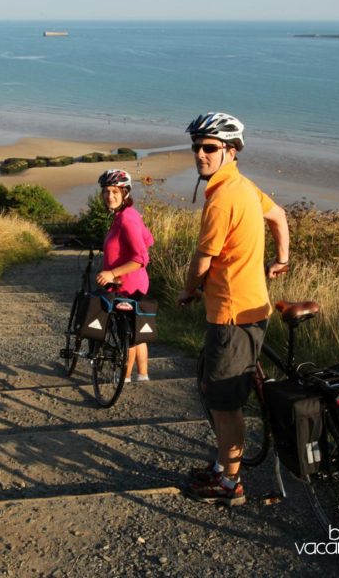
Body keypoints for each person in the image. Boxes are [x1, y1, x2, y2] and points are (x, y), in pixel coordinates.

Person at [177, 112, 290, 506]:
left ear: (231, 151)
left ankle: (230, 483)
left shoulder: (222, 198)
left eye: (209, 148)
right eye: (196, 147)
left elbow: (203, 259)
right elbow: (278, 216)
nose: (200, 155)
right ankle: (223, 464)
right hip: (251, 308)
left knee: (224, 404)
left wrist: (188, 290)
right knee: (227, 397)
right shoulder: (243, 187)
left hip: (230, 314)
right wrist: (282, 259)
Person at [95, 169, 154, 383]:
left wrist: (112, 272)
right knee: (136, 332)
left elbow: (141, 258)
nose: (109, 196)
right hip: (133, 282)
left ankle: (125, 378)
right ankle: (143, 375)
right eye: (106, 192)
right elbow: (149, 239)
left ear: (125, 193)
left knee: (125, 335)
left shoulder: (127, 219)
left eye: (114, 192)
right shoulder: (128, 215)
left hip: (127, 285)